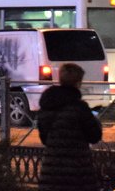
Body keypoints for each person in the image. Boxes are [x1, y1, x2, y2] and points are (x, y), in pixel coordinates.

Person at [38, 63, 103, 191]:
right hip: (78, 173)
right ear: (78, 83)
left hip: (51, 172)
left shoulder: (47, 105)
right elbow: (94, 136)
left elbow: (44, 138)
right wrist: (96, 122)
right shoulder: (80, 108)